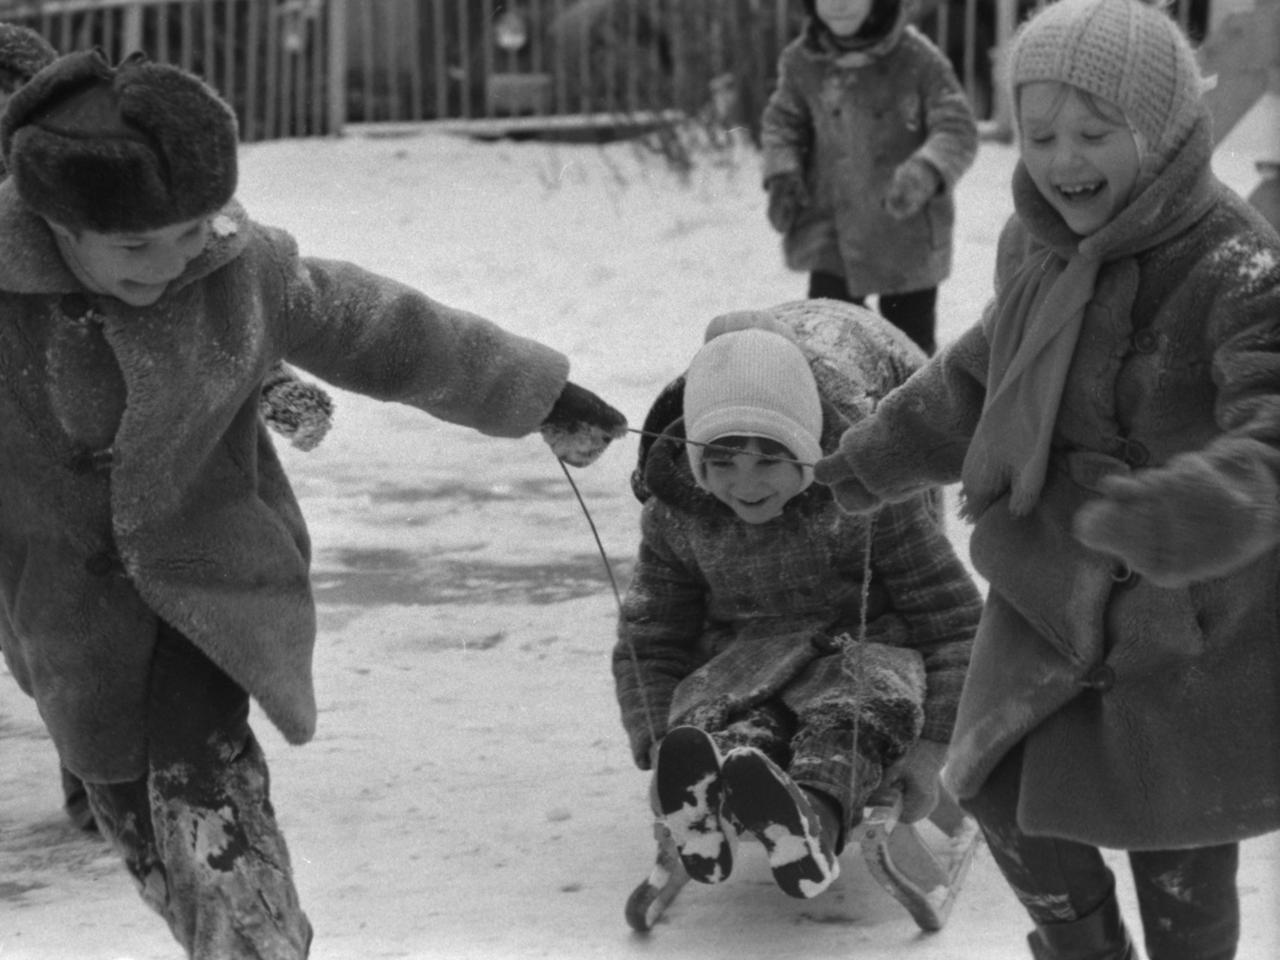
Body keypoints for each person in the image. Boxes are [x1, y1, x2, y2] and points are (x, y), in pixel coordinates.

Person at [0, 48, 626, 959]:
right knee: (151, 845)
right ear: (57, 222)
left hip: (208, 586)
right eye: (136, 246)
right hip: (62, 611)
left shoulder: (237, 273)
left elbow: (384, 331)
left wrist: (537, 394)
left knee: (213, 806)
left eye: (190, 231)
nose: (171, 263)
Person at [812, 1, 1280, 957]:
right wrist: (868, 459)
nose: (1065, 160)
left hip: (1190, 622)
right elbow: (984, 373)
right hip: (1048, 590)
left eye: (1095, 134)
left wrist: (1198, 509)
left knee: (1176, 849)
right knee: (997, 785)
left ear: (1167, 130)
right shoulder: (1038, 246)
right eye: (1041, 134)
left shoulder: (1238, 263)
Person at [0, 26, 334, 837]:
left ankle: (116, 780)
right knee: (45, 622)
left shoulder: (85, 159)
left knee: (101, 616)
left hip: (95, 304)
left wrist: (266, 378)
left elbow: (202, 315)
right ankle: (95, 763)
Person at [613, 300, 981, 900]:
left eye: (770, 458)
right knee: (722, 723)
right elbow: (650, 636)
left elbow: (952, 621)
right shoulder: (678, 519)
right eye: (722, 461)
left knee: (855, 715)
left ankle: (810, 817)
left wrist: (932, 745)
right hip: (738, 663)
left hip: (864, 651)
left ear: (807, 447)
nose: (747, 482)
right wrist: (658, 738)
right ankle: (707, 797)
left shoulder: (868, 499)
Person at [760, 0, 978, 356]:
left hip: (904, 230)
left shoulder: (918, 59)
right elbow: (782, 123)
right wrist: (783, 171)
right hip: (834, 227)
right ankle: (842, 403)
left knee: (909, 347)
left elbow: (956, 128)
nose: (839, 5)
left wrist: (924, 171)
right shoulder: (803, 62)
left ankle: (915, 408)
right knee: (829, 337)